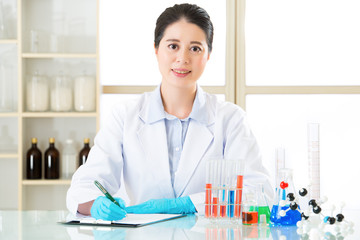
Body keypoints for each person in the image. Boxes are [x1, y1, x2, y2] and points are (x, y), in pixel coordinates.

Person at [66, 3, 273, 220]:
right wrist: (97, 203)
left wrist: (190, 204)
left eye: (195, 48)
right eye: (173, 46)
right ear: (156, 49)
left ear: (208, 54)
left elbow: (260, 192)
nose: (183, 59)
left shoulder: (230, 119)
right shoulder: (125, 116)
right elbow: (85, 185)